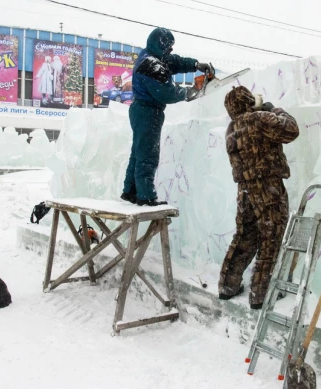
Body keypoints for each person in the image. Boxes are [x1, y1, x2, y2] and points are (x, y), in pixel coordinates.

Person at [218, 86, 300, 310]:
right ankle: (260, 294)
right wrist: (273, 109)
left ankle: (228, 286)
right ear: (248, 102)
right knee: (271, 237)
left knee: (245, 236)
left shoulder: (231, 128)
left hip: (245, 190)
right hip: (268, 188)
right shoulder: (259, 118)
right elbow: (291, 129)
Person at [121, 27, 214, 206]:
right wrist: (189, 92)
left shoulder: (153, 56)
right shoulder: (151, 65)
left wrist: (195, 65)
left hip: (142, 109)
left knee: (138, 153)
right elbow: (165, 93)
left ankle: (130, 190)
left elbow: (175, 62)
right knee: (148, 154)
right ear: (160, 45)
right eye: (168, 47)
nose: (170, 51)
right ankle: (146, 196)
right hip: (148, 111)